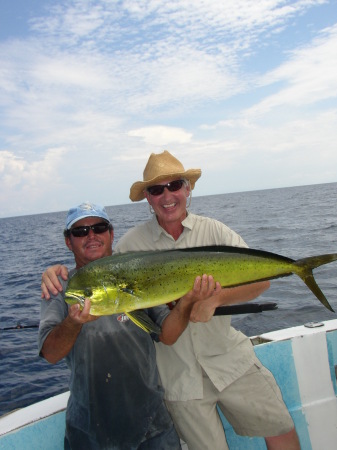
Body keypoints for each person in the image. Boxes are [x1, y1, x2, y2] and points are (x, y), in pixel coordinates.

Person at [41, 152, 301, 450]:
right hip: (178, 378)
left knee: (280, 429)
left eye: (174, 185)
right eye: (155, 189)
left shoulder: (214, 230)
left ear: (187, 189)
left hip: (231, 361)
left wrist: (216, 299)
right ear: (148, 199)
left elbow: (262, 280)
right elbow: (97, 268)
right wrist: (55, 273)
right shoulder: (131, 247)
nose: (166, 195)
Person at [38, 201, 214, 450]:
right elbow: (50, 353)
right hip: (89, 431)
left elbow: (168, 335)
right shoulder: (59, 288)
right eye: (80, 231)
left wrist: (187, 301)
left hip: (152, 426)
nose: (91, 236)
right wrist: (72, 322)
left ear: (111, 233)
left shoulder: (135, 273)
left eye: (99, 228)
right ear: (68, 241)